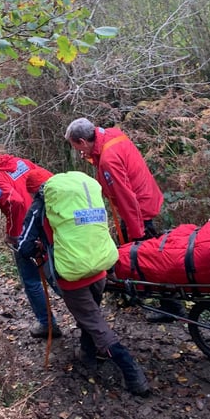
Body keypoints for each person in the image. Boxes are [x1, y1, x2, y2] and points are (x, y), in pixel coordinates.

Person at [17, 169, 150, 396]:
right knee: (91, 315)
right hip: (100, 267)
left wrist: (30, 245)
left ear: (36, 190)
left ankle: (132, 373)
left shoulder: (41, 204)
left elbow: (25, 246)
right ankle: (87, 353)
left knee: (96, 324)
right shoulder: (79, 197)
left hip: (73, 276)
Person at [64, 117, 185, 322]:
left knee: (147, 256)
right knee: (144, 253)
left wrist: (136, 231)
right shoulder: (111, 135)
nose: (77, 151)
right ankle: (135, 293)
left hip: (139, 209)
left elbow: (125, 197)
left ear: (83, 141)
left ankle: (170, 306)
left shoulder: (109, 159)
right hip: (146, 198)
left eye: (76, 146)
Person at [0, 144, 61, 339]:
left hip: (26, 231)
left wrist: (14, 233)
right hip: (47, 222)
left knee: (31, 279)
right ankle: (85, 313)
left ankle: (48, 325)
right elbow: (48, 178)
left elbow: (15, 202)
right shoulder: (20, 162)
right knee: (55, 271)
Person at [112, 216, 210, 286]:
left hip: (206, 254)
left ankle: (114, 262)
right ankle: (116, 260)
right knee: (155, 251)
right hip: (202, 244)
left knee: (154, 257)